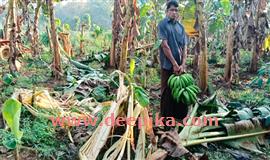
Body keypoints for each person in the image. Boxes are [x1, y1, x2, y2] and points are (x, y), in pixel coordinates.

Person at [158, 0, 188, 123]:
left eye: (176, 10)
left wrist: (183, 64)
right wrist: (174, 64)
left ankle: (179, 115)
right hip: (167, 64)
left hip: (180, 65)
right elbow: (165, 45)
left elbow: (185, 47)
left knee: (180, 88)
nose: (174, 12)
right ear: (167, 11)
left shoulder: (181, 27)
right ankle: (165, 118)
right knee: (166, 90)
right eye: (171, 10)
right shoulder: (163, 24)